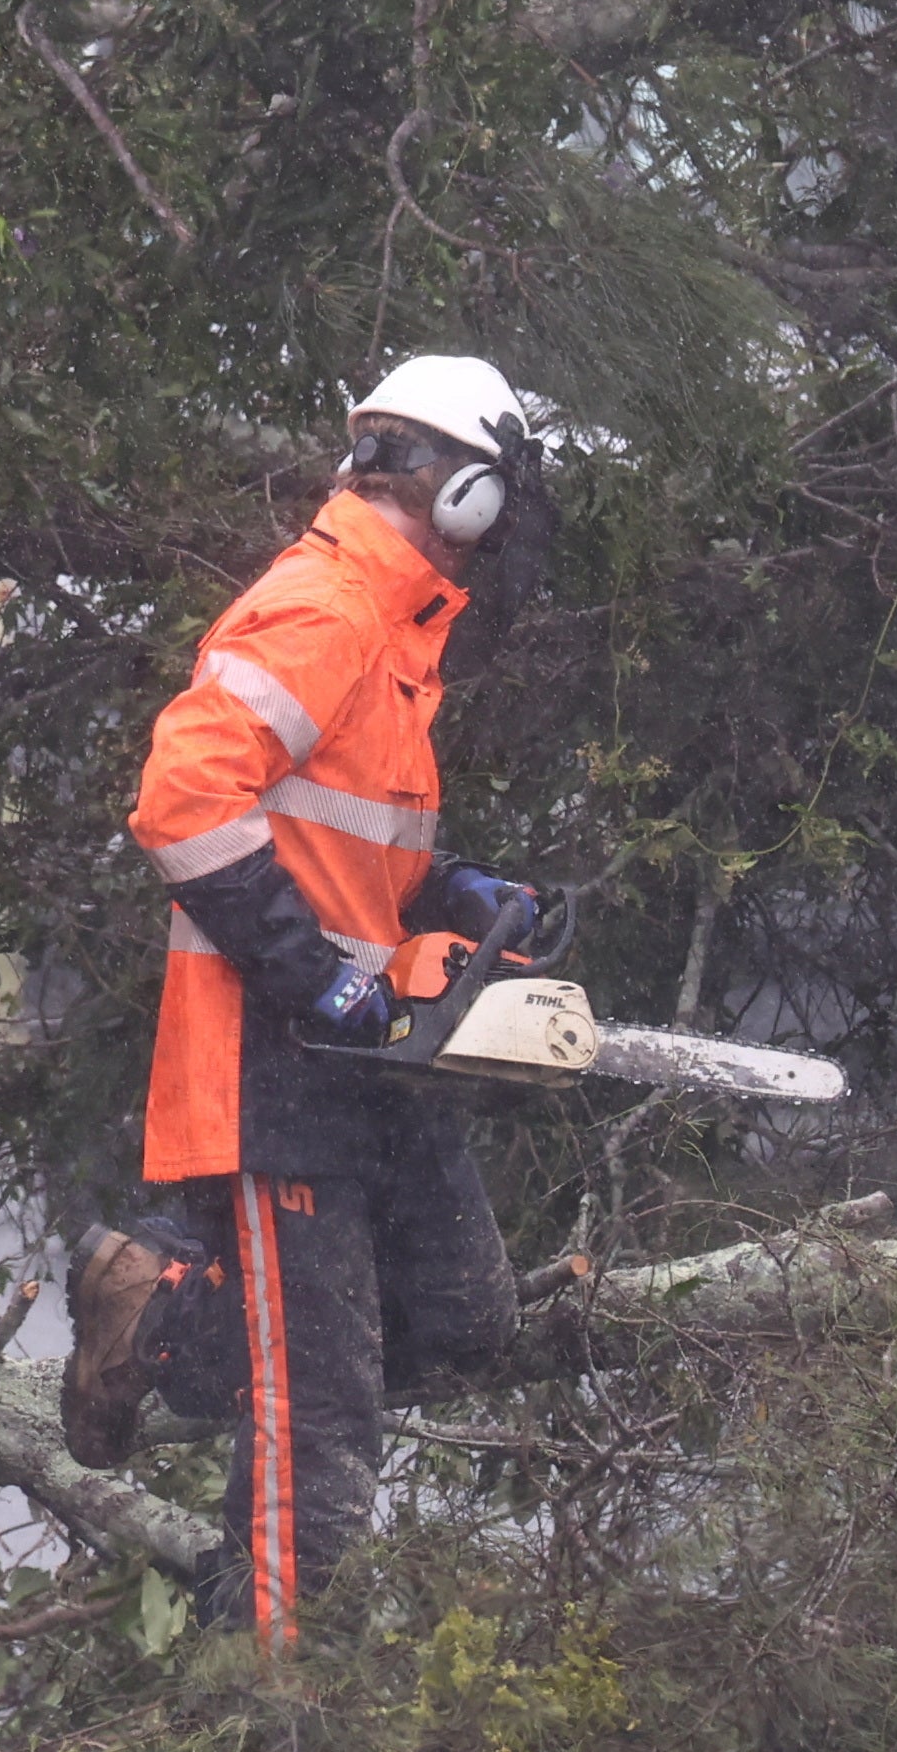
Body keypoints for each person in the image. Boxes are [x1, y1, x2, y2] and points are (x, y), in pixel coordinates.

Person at [59, 356, 572, 1644]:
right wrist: (317, 976)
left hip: (368, 1049)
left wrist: (449, 891)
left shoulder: (400, 633)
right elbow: (181, 803)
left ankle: (162, 1311)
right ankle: (284, 1708)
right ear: (462, 491)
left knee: (462, 1319)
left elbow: (328, 839)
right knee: (321, 1421)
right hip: (272, 1056)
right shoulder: (326, 607)